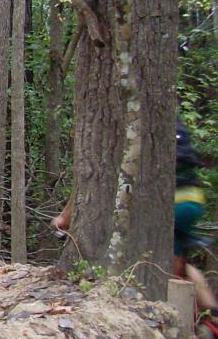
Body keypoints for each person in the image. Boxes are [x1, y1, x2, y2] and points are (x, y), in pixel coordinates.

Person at [50, 119, 217, 313]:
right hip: (193, 197)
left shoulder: (115, 131)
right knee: (178, 255)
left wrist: (63, 219)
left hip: (168, 201)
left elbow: (88, 187)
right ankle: (212, 317)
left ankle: (172, 316)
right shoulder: (163, 116)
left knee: (153, 257)